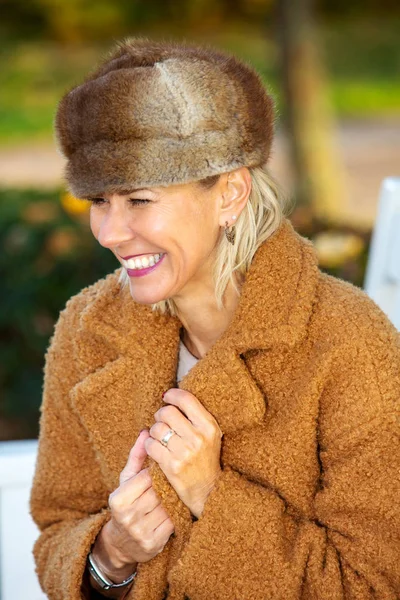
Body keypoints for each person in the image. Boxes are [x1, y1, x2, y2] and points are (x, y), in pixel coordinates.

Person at [29, 38, 400, 600]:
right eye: (98, 202)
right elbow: (57, 530)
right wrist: (113, 552)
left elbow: (373, 584)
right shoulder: (87, 330)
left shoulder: (350, 343)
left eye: (139, 200)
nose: (108, 232)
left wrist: (211, 494)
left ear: (229, 192)